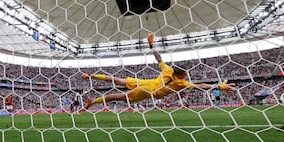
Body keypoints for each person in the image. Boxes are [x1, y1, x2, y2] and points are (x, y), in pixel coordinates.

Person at [81, 33, 236, 110]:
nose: (186, 76)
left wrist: (152, 46)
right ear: (179, 75)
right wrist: (217, 86)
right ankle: (93, 101)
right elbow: (200, 85)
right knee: (119, 96)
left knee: (118, 80)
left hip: (147, 84)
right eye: (184, 74)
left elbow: (158, 58)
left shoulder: (168, 69)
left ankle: (91, 76)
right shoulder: (181, 82)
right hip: (149, 90)